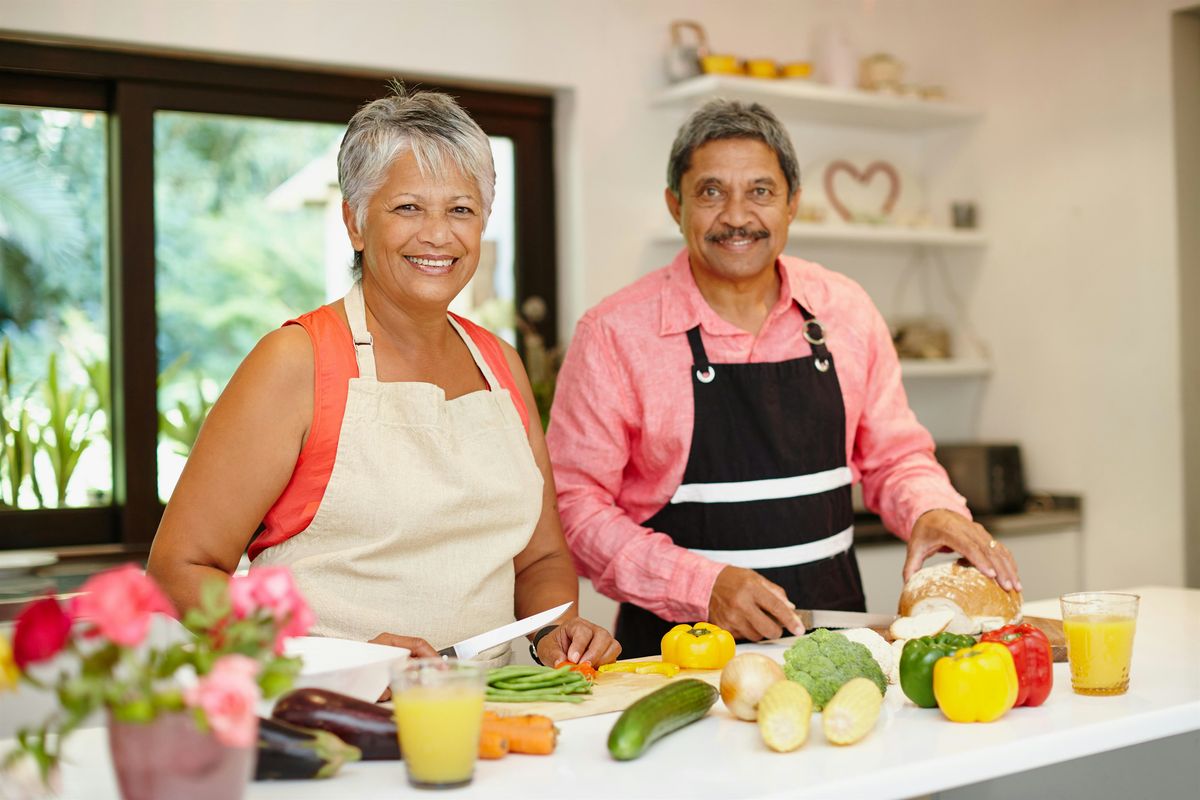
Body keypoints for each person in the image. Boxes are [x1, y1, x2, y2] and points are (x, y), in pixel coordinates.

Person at [148, 85, 619, 669]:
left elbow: (541, 561)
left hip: (494, 712)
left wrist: (559, 630)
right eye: (408, 208)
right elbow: (179, 572)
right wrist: (333, 659)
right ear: (355, 222)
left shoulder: (499, 363)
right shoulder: (295, 361)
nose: (438, 235)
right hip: (334, 714)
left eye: (461, 209)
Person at [546, 99, 1021, 657]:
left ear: (793, 204)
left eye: (761, 191)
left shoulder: (845, 309)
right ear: (675, 205)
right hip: (679, 657)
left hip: (841, 642)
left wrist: (931, 509)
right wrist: (699, 587)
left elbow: (895, 456)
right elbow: (573, 507)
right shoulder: (614, 333)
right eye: (711, 191)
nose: (737, 216)